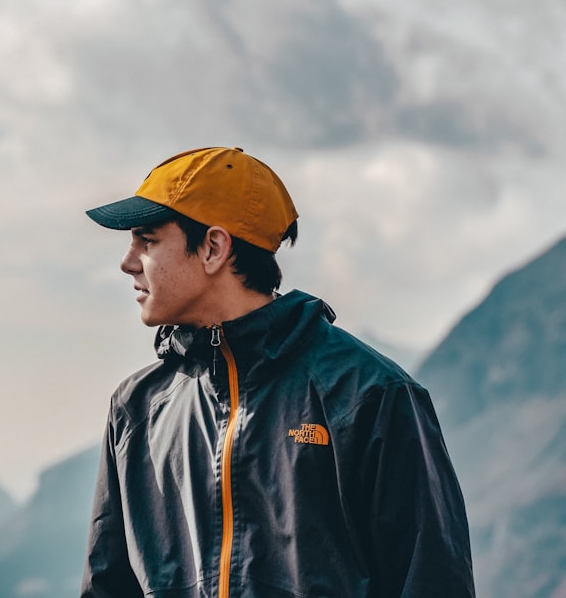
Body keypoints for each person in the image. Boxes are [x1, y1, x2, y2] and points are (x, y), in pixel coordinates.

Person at [81, 146, 474, 597]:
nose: (127, 262)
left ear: (213, 247)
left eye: (146, 241)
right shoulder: (136, 408)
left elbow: (433, 583)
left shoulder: (371, 396)